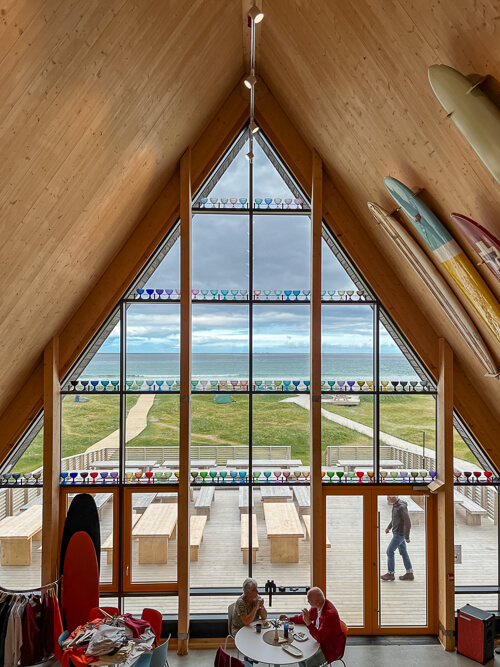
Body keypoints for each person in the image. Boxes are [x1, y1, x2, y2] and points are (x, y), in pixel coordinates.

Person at [280, 587, 345, 667]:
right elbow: (304, 618)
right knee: (301, 656)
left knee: (309, 662)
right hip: (319, 640)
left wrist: (309, 623)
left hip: (330, 647)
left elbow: (320, 637)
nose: (308, 602)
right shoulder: (317, 606)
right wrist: (289, 619)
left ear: (317, 602)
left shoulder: (329, 614)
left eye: (309, 601)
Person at [380, 495, 414, 581]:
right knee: (404, 552)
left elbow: (407, 522)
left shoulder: (401, 507)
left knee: (390, 551)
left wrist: (407, 536)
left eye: (388, 497)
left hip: (399, 534)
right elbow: (395, 518)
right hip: (397, 533)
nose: (387, 499)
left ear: (394, 497)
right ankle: (409, 573)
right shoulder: (396, 505)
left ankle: (390, 574)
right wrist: (389, 527)